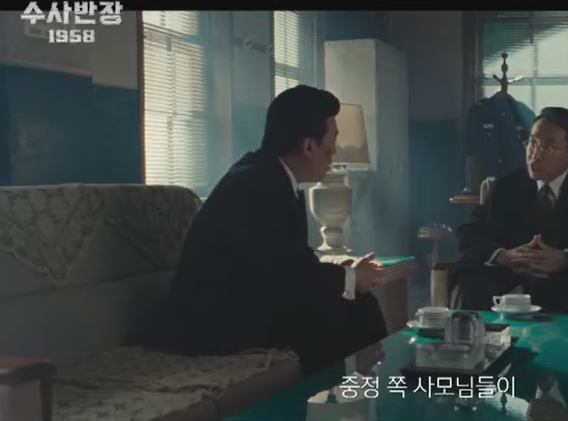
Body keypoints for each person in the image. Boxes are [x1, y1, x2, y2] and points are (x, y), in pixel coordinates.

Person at [140, 85, 388, 375]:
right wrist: (350, 278)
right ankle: (359, 390)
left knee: (356, 304)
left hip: (250, 302)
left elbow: (287, 259)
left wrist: (341, 269)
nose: (333, 155)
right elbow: (285, 275)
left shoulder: (275, 176)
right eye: (331, 146)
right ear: (309, 146)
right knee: (344, 311)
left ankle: (369, 388)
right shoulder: (256, 186)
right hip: (212, 323)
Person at [452, 106, 568, 315]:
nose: (535, 155)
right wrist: (503, 256)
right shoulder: (505, 187)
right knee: (470, 281)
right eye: (533, 142)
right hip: (509, 283)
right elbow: (468, 234)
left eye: (548, 147)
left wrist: (567, 259)